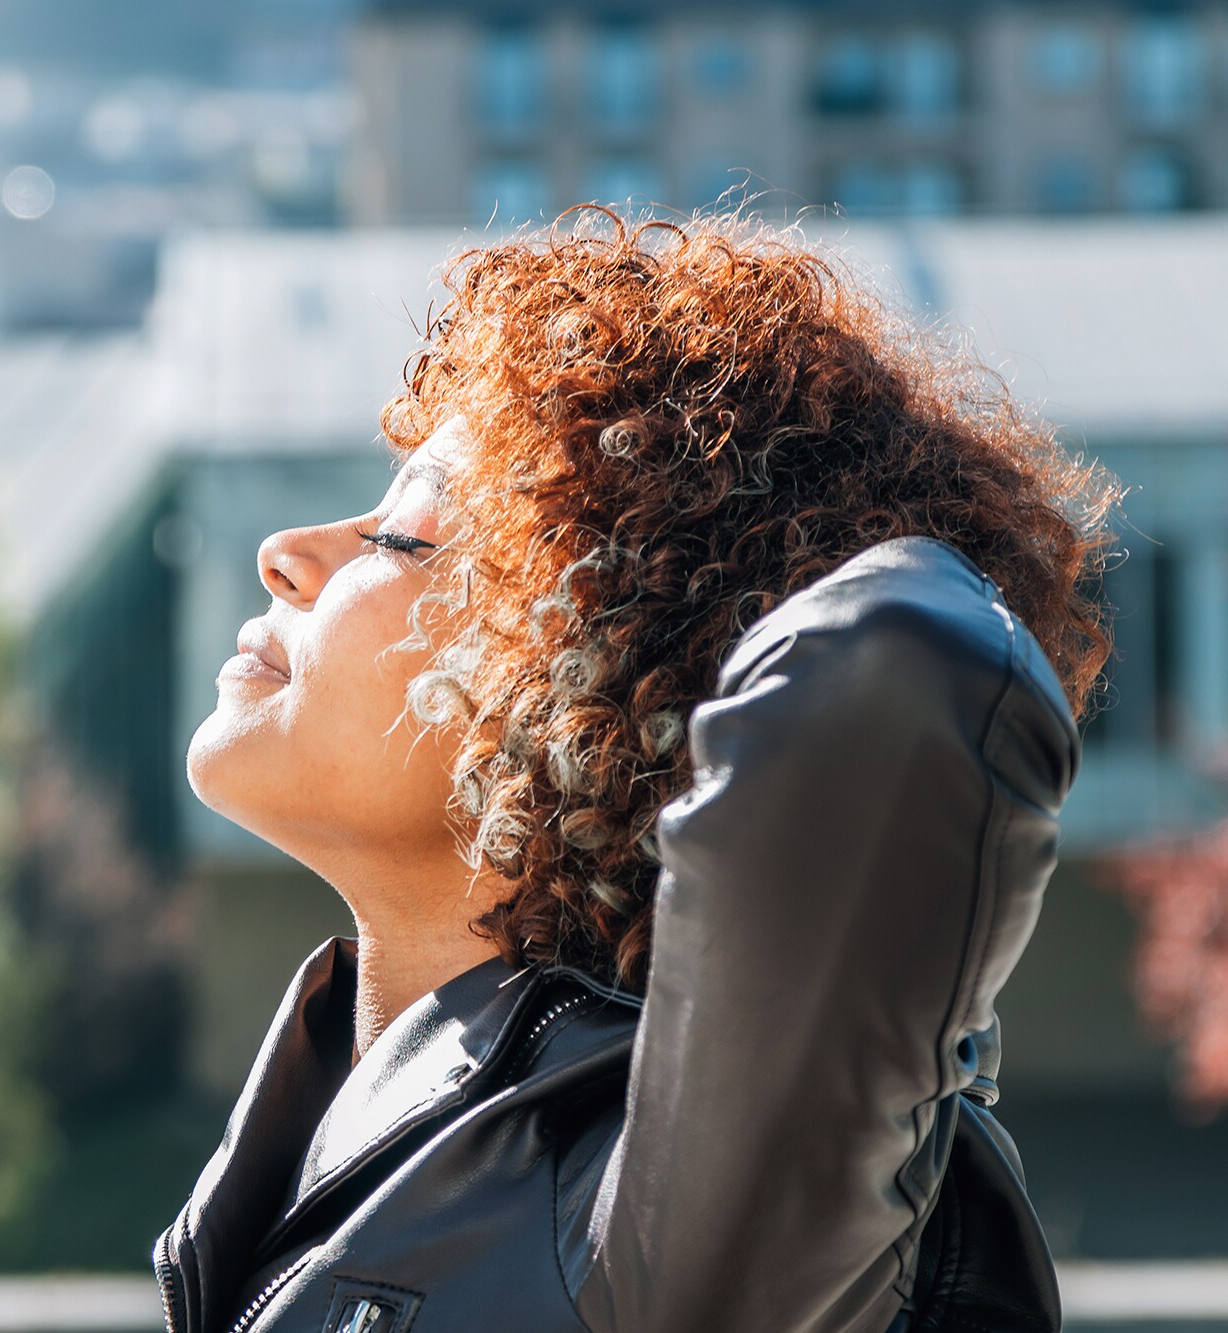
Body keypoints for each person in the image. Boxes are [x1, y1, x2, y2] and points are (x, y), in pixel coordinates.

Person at [156, 208, 1119, 1333]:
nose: (287, 552)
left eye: (403, 533)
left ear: (582, 677)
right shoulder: (325, 1163)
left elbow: (902, 668)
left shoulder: (674, 1223)